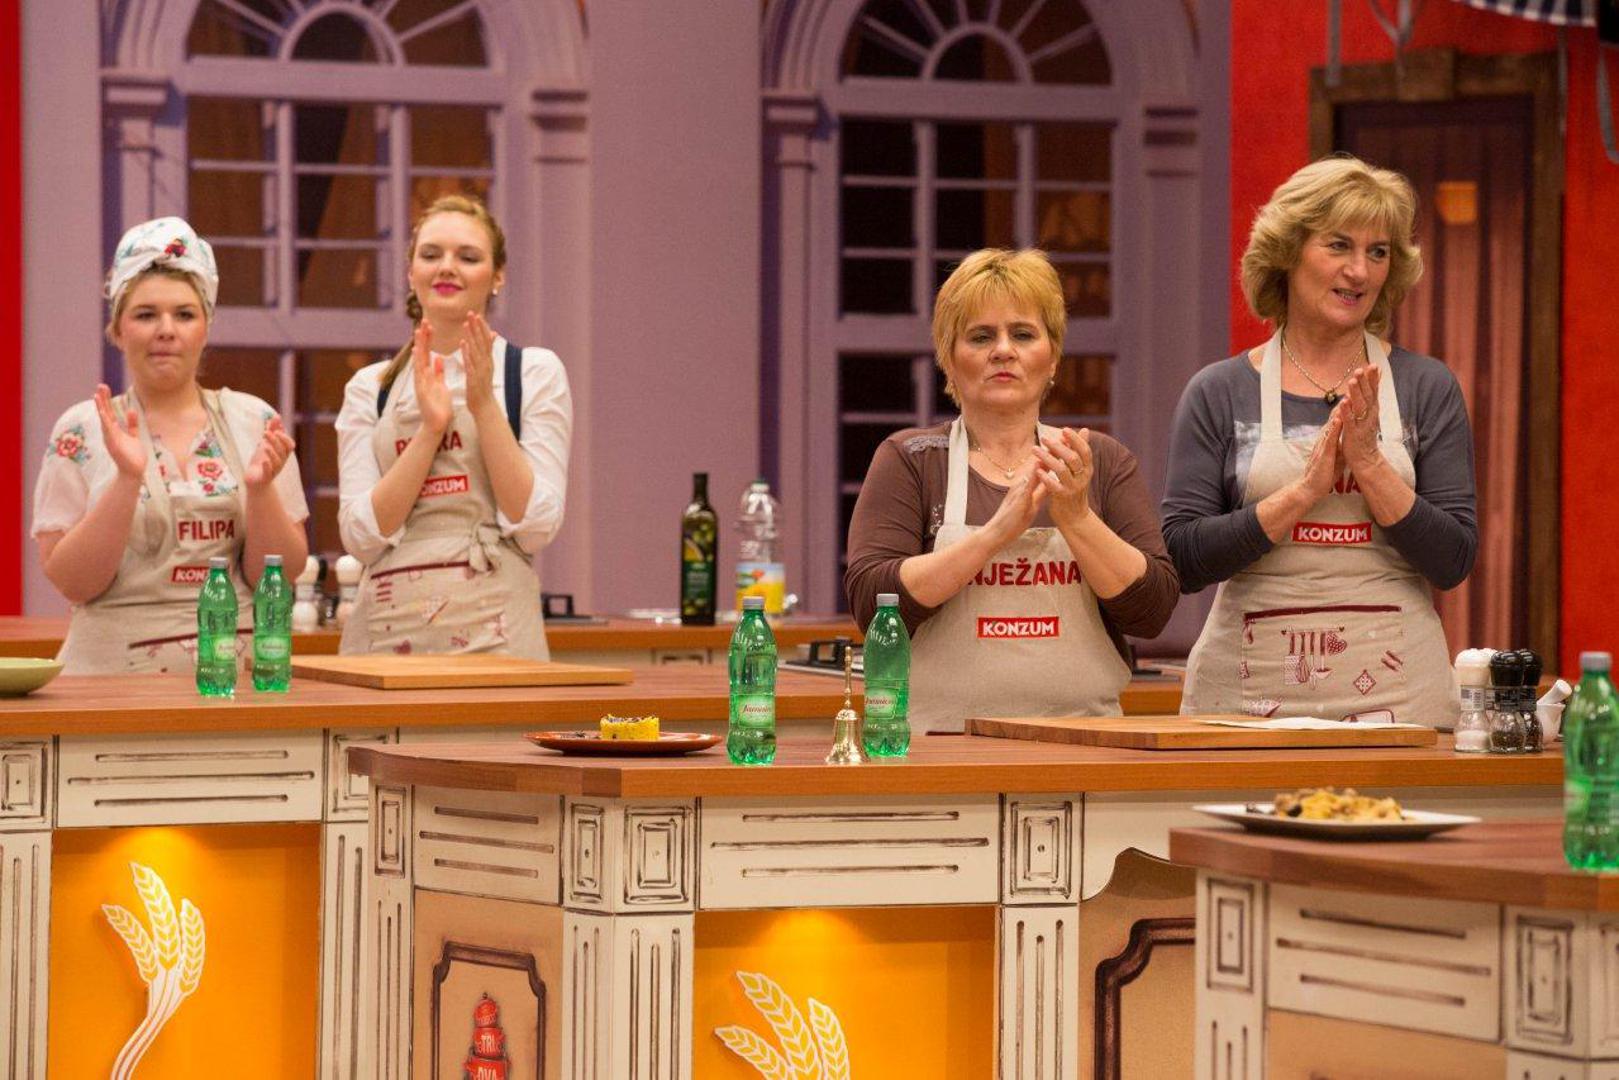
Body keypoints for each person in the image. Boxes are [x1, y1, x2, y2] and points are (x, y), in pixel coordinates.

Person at [1163, 156, 1477, 726]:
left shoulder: (1426, 388)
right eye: (1339, 246)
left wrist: (1369, 465)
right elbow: (1184, 559)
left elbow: (1452, 561)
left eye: (1377, 252)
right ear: (1288, 252)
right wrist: (1303, 491)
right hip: (1244, 707)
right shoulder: (1219, 392)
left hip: (1401, 707)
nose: (1360, 271)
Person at [844, 248, 1178, 732]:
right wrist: (994, 535)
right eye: (981, 337)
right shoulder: (911, 459)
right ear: (949, 360)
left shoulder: (1098, 461)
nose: (1003, 350)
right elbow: (872, 605)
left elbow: (1152, 611)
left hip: (1088, 740)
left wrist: (1078, 517)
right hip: (939, 741)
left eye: (1023, 334)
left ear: (1053, 357)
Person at [32, 217, 309, 674]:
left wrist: (260, 492)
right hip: (106, 686)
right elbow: (73, 583)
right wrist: (126, 480)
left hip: (232, 683)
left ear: (206, 328)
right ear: (118, 330)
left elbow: (277, 577)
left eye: (184, 314)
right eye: (145, 315)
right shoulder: (82, 429)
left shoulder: (255, 421)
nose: (166, 329)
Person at [335, 195, 571, 657]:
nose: (447, 267)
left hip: (497, 636)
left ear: (497, 276)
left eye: (468, 257)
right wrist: (429, 432)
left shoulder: (532, 372)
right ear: (411, 273)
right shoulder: (372, 387)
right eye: (431, 255)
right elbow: (362, 538)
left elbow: (535, 527)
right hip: (385, 634)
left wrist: (484, 405)